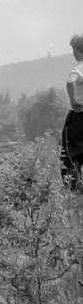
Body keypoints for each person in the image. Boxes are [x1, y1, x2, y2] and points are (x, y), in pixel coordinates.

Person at [60, 34, 83, 190]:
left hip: (79, 117)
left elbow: (70, 82)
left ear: (76, 49)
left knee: (71, 156)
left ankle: (74, 194)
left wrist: (73, 100)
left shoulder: (79, 68)